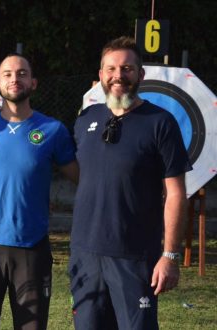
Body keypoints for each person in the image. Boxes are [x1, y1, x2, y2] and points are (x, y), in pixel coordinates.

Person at [69, 36, 191, 330]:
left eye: (127, 68)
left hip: (134, 258)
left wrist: (170, 255)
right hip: (85, 255)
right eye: (110, 69)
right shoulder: (86, 119)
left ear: (140, 74)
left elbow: (176, 194)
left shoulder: (161, 122)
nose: (118, 76)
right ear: (100, 76)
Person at [0, 53, 79, 330]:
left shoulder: (53, 130)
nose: (15, 79)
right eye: (8, 74)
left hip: (31, 248)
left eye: (22, 73)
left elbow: (82, 180)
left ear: (34, 83)